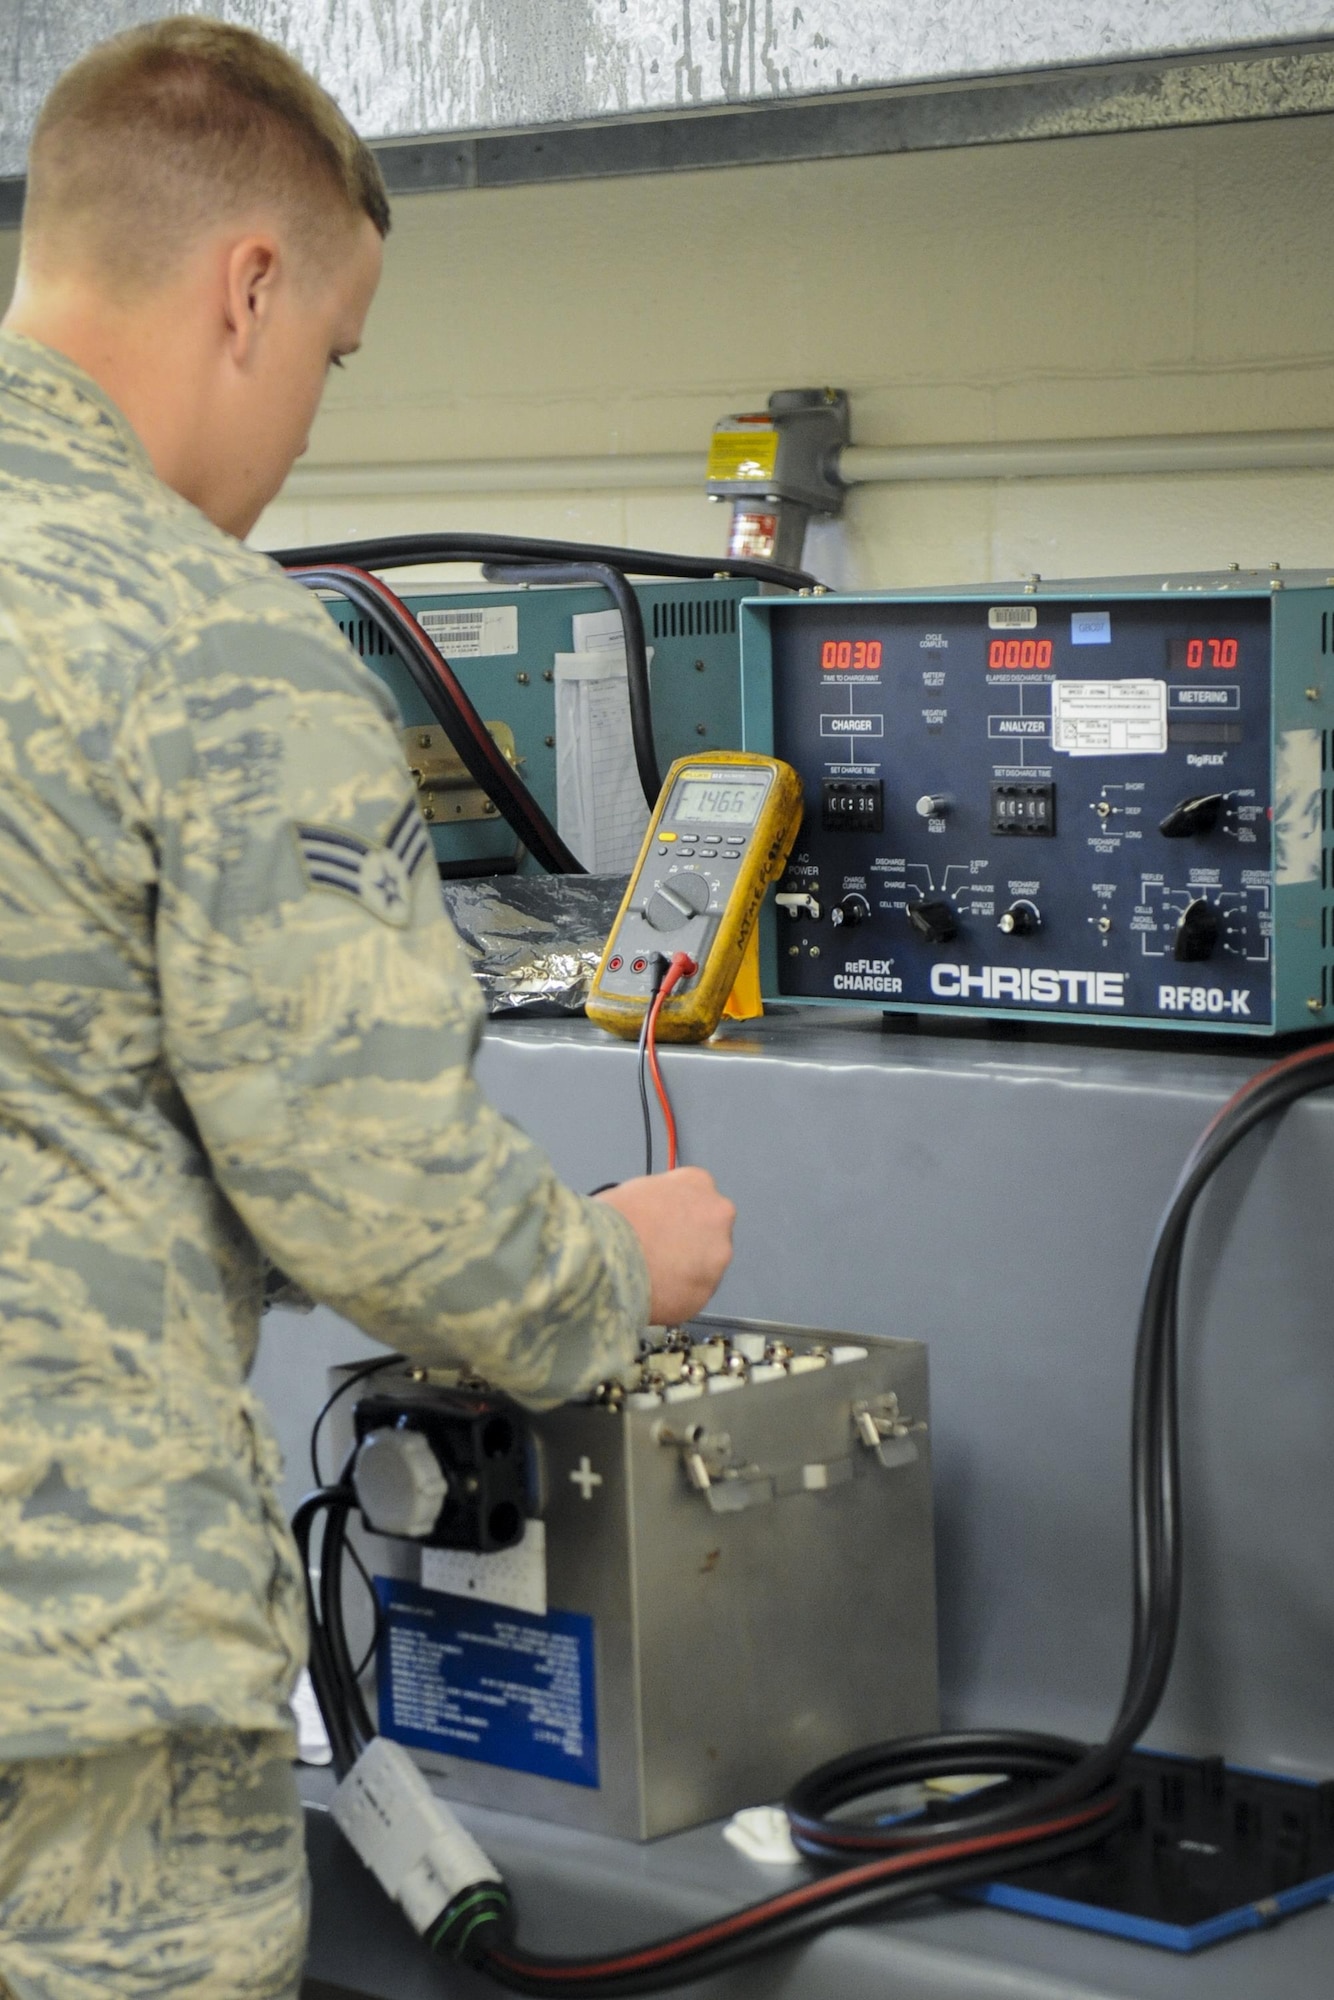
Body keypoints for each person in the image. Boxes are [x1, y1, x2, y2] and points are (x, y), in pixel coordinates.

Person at [0, 18, 736, 1999]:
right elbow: (377, 1193)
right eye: (330, 356)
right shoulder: (215, 648)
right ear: (250, 285)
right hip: (70, 1722)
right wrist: (610, 1270)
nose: (314, 422)